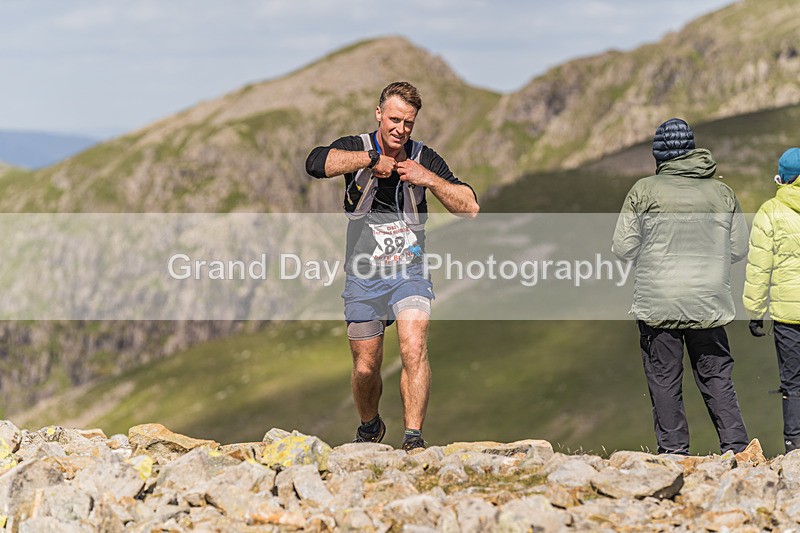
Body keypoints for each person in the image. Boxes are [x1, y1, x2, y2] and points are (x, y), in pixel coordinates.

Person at [305, 81, 479, 451]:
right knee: (366, 366)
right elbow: (316, 163)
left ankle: (413, 439)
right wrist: (370, 161)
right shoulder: (358, 147)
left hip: (409, 273)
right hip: (364, 276)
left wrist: (427, 178)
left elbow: (470, 206)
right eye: (395, 119)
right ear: (379, 114)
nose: (401, 129)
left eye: (409, 123)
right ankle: (370, 426)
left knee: (414, 347)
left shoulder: (423, 157)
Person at [612, 118, 750, 455]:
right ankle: (738, 450)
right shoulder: (722, 192)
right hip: (708, 303)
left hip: (659, 304)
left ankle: (674, 455)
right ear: (692, 150)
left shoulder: (643, 191)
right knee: (717, 378)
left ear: (659, 156)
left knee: (664, 381)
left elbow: (623, 247)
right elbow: (738, 248)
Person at [743, 147, 800, 453]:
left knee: (793, 383)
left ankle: (795, 448)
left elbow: (759, 267)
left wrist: (755, 311)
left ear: (783, 179)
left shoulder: (770, 212)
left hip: (788, 317)